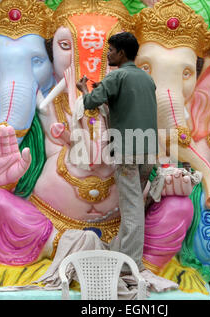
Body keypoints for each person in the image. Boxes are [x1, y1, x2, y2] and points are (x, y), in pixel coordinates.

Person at [76, 32, 158, 272]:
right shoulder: (146, 78)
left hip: (127, 152)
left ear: (121, 53)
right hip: (148, 151)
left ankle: (130, 264)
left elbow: (91, 103)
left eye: (111, 50)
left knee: (131, 209)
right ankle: (120, 253)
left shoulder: (117, 76)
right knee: (134, 205)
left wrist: (84, 89)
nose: (108, 54)